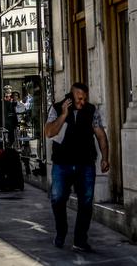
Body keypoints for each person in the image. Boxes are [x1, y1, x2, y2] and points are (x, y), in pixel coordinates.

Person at [44, 83, 109, 252]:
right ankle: (61, 231)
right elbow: (49, 132)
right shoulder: (57, 108)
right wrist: (64, 115)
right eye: (80, 98)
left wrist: (105, 158)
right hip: (62, 163)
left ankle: (80, 239)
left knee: (86, 202)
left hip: (85, 163)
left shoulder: (90, 110)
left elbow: (101, 135)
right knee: (57, 199)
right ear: (71, 96)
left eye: (85, 98)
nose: (82, 101)